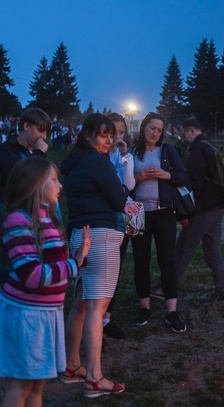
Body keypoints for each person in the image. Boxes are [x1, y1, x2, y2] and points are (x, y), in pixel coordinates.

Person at [0, 157, 90, 407]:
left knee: (37, 386)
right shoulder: (18, 220)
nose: (59, 184)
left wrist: (75, 259)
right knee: (19, 387)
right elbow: (31, 275)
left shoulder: (47, 216)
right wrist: (76, 264)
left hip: (46, 313)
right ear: (35, 183)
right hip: (25, 315)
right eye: (53, 179)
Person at [59, 113, 128, 395]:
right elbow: (119, 200)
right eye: (103, 135)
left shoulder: (74, 164)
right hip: (101, 236)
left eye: (111, 136)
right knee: (97, 309)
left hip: (81, 236)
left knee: (81, 304)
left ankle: (73, 365)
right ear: (87, 135)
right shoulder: (98, 163)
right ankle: (95, 377)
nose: (109, 140)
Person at [131, 112, 188, 332]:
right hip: (137, 212)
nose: (155, 132)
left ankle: (172, 311)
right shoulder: (133, 151)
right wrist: (138, 177)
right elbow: (123, 182)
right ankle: (144, 308)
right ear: (144, 127)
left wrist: (166, 175)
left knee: (167, 260)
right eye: (152, 127)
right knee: (140, 260)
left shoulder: (168, 151)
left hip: (164, 212)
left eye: (159, 129)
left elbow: (183, 175)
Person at [176, 117, 224, 302]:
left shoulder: (198, 148)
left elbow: (195, 181)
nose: (182, 138)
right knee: (212, 248)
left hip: (205, 206)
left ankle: (167, 288)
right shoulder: (210, 146)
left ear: (191, 130)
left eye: (183, 133)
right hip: (218, 204)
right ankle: (221, 289)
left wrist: (188, 210)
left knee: (184, 245)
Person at [102, 112, 136, 339]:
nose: (117, 137)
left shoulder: (126, 156)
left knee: (115, 267)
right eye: (113, 132)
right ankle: (92, 317)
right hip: (101, 216)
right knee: (98, 268)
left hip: (121, 217)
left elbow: (130, 185)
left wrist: (125, 157)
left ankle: (107, 319)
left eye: (121, 132)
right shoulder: (98, 156)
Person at [0, 108, 52, 204]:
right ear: (26, 126)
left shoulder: (33, 151)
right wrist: (39, 153)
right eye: (41, 130)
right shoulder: (7, 150)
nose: (44, 136)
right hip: (13, 211)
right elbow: (21, 180)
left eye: (46, 132)